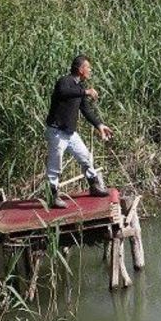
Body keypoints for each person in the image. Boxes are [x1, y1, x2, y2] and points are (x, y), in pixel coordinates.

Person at [44, 55, 113, 209]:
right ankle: (52, 196)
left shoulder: (79, 88)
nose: (90, 70)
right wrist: (86, 92)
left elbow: (85, 110)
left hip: (70, 133)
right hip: (57, 132)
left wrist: (99, 125)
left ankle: (94, 186)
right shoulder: (65, 82)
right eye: (88, 67)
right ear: (81, 69)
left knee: (86, 158)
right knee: (55, 166)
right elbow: (63, 92)